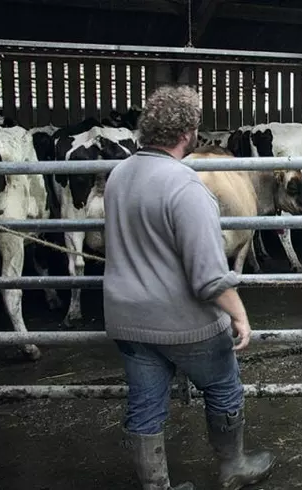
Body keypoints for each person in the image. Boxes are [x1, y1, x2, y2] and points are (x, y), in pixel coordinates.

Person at [103, 85, 275, 490]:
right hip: (183, 323)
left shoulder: (118, 175)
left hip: (127, 319)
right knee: (223, 386)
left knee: (145, 405)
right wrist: (239, 313)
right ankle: (234, 466)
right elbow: (209, 276)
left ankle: (156, 485)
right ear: (188, 133)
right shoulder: (186, 186)